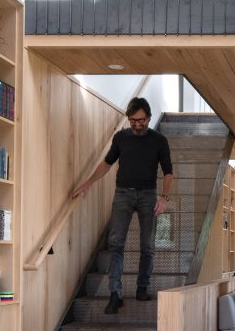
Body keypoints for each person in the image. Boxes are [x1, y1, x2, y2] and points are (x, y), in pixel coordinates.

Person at [71, 97, 173, 313]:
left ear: (149, 118)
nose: (137, 124)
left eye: (141, 120)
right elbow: (107, 163)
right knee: (116, 243)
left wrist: (164, 197)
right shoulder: (121, 138)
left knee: (148, 246)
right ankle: (115, 294)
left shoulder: (159, 140)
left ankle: (142, 287)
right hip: (123, 195)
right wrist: (88, 183)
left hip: (148, 196)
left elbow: (168, 172)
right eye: (133, 120)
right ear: (128, 119)